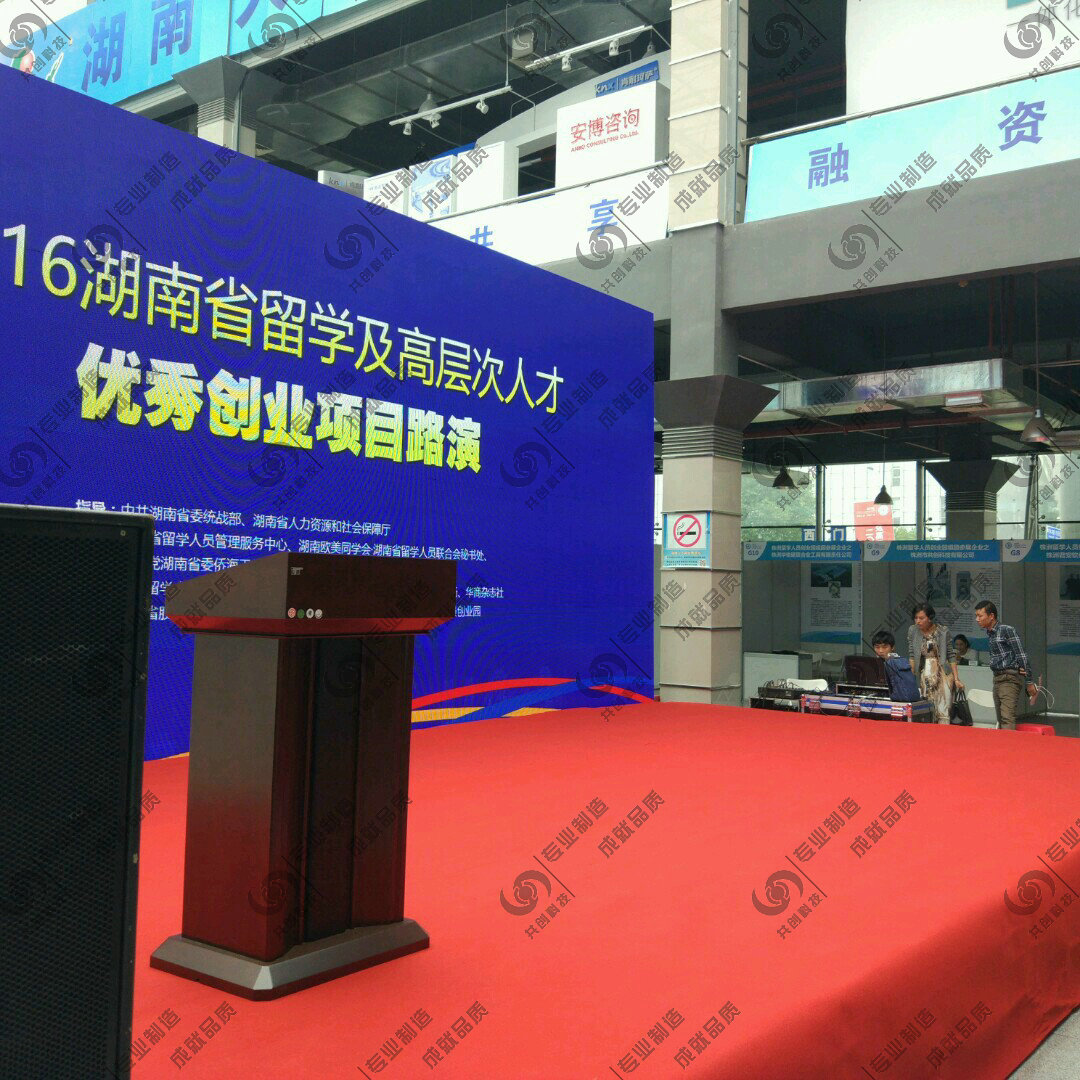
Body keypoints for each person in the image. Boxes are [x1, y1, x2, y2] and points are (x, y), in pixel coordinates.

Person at [974, 600, 1038, 730]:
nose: (977, 619)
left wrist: (1029, 681)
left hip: (1009, 678)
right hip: (997, 678)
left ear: (991, 616)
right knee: (1000, 719)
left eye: (980, 616)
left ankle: (1009, 743)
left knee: (1007, 718)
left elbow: (1021, 655)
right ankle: (1004, 742)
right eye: (976, 616)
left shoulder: (1006, 630)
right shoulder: (990, 633)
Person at [906, 603, 954, 724]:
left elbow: (951, 655)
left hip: (942, 672)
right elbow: (912, 655)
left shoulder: (942, 631)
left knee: (943, 707)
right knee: (927, 707)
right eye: (916, 618)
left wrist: (956, 678)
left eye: (921, 618)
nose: (918, 621)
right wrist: (911, 677)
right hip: (924, 672)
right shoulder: (913, 630)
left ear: (930, 617)